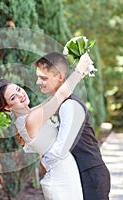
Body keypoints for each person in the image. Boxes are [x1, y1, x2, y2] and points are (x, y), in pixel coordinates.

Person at [0, 53, 93, 199]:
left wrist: (76, 76)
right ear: (7, 107)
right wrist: (79, 69)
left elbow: (53, 97)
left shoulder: (29, 115)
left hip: (62, 170)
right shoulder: (31, 119)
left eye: (18, 89)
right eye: (13, 97)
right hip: (61, 174)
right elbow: (61, 95)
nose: (20, 95)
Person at [34, 52, 110, 200]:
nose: (38, 82)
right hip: (79, 175)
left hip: (90, 176)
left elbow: (61, 149)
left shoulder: (70, 105)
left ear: (60, 77)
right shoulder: (57, 104)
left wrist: (44, 162)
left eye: (43, 78)